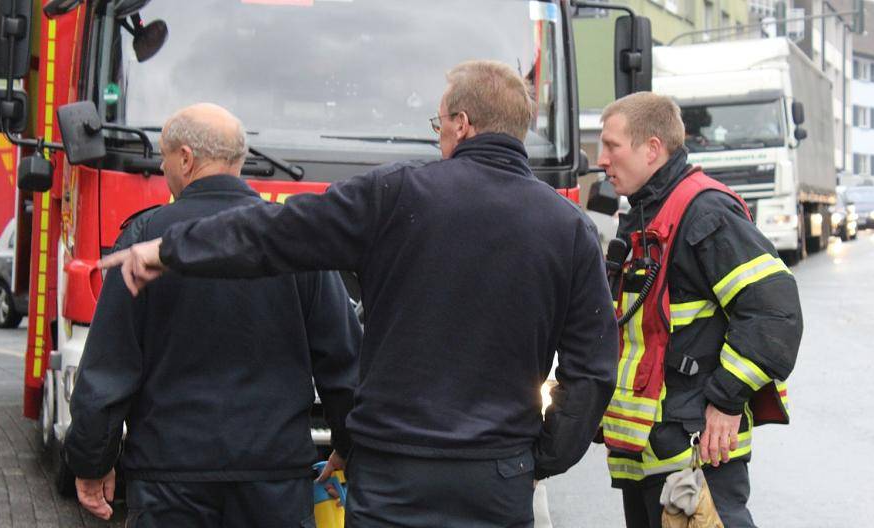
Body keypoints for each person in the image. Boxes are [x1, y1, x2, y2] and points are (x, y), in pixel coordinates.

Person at [99, 61, 619, 527]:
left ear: (462, 123)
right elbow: (592, 370)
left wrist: (170, 249)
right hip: (497, 477)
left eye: (439, 123)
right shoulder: (570, 228)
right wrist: (540, 457)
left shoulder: (395, 195)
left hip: (392, 475)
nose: (439, 136)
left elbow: (274, 234)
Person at [64, 103, 361, 527]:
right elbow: (343, 359)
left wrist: (92, 461)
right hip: (274, 479)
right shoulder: (294, 238)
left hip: (169, 480)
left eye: (165, 157)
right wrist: (349, 447)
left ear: (186, 159)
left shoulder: (145, 239)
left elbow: (109, 367)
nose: (162, 168)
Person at [595, 92, 802, 527]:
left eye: (612, 146)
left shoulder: (703, 211)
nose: (601, 159)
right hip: (650, 455)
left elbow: (774, 310)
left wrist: (727, 400)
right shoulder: (644, 213)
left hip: (695, 454)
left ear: (652, 148)